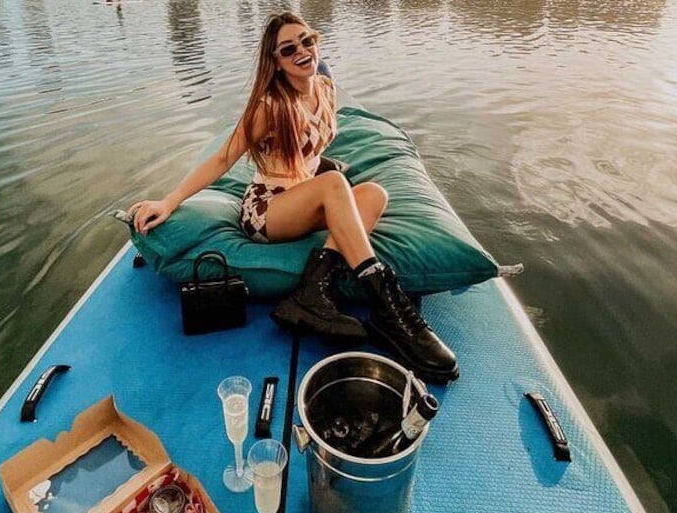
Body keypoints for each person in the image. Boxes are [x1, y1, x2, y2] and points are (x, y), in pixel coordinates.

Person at [128, 12, 458, 383]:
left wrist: (323, 168)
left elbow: (314, 154)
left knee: (374, 195)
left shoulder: (325, 88)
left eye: (307, 41)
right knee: (335, 184)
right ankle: (387, 305)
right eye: (288, 49)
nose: (302, 51)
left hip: (305, 198)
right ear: (277, 62)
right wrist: (169, 202)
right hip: (267, 209)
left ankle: (313, 293)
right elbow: (223, 158)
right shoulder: (269, 107)